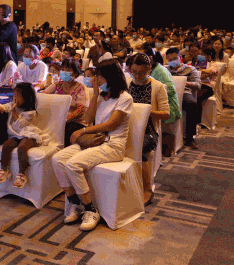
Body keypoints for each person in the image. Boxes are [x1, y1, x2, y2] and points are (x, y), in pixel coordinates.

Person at [52, 59, 133, 231]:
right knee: (57, 159)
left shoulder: (125, 98)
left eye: (99, 76)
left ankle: (91, 209)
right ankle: (75, 203)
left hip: (113, 145)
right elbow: (88, 120)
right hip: (95, 141)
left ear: (111, 77)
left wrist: (82, 131)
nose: (96, 79)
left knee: (73, 164)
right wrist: (95, 94)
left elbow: (111, 125)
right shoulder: (102, 97)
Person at [126, 53, 170, 204]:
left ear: (149, 69)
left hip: (148, 130)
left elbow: (166, 114)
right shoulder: (127, 83)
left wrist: (145, 112)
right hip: (128, 126)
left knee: (142, 148)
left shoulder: (157, 87)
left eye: (141, 73)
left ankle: (147, 189)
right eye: (134, 72)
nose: (137, 76)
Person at [0, 82, 48, 188]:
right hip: (16, 135)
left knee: (22, 148)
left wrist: (13, 110)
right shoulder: (12, 105)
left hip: (29, 135)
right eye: (14, 95)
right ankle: (4, 170)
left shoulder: (31, 112)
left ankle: (21, 174)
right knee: (7, 145)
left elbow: (20, 124)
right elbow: (3, 106)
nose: (15, 99)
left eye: (18, 96)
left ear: (26, 98)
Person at [44, 58, 89, 147]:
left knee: (63, 130)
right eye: (63, 69)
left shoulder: (81, 88)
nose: (64, 72)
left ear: (75, 73)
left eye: (68, 70)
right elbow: (43, 95)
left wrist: (64, 119)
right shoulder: (57, 85)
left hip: (74, 122)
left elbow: (81, 109)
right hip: (56, 120)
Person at [165, 48, 201, 150]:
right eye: (170, 60)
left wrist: (184, 82)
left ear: (180, 58)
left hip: (185, 92)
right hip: (169, 93)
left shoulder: (190, 69)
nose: (172, 61)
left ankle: (189, 137)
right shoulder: (165, 70)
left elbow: (198, 85)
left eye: (174, 59)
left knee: (191, 104)